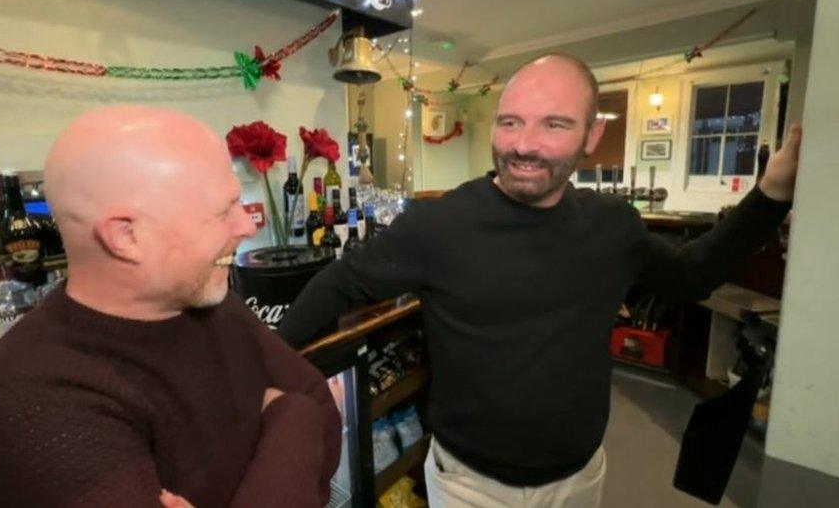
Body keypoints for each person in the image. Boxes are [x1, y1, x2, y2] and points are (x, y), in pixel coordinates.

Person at [278, 54, 800, 507]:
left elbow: (691, 277)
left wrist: (771, 192)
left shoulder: (611, 224)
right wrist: (261, 366)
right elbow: (341, 282)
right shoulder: (438, 224)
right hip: (468, 486)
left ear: (592, 136)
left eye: (554, 124)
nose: (523, 144)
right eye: (510, 122)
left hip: (579, 478)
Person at [0, 106, 342, 507]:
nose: (247, 226)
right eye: (224, 211)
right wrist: (293, 424)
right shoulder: (30, 411)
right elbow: (308, 416)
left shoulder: (206, 302)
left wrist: (292, 417)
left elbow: (319, 407)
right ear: (126, 236)